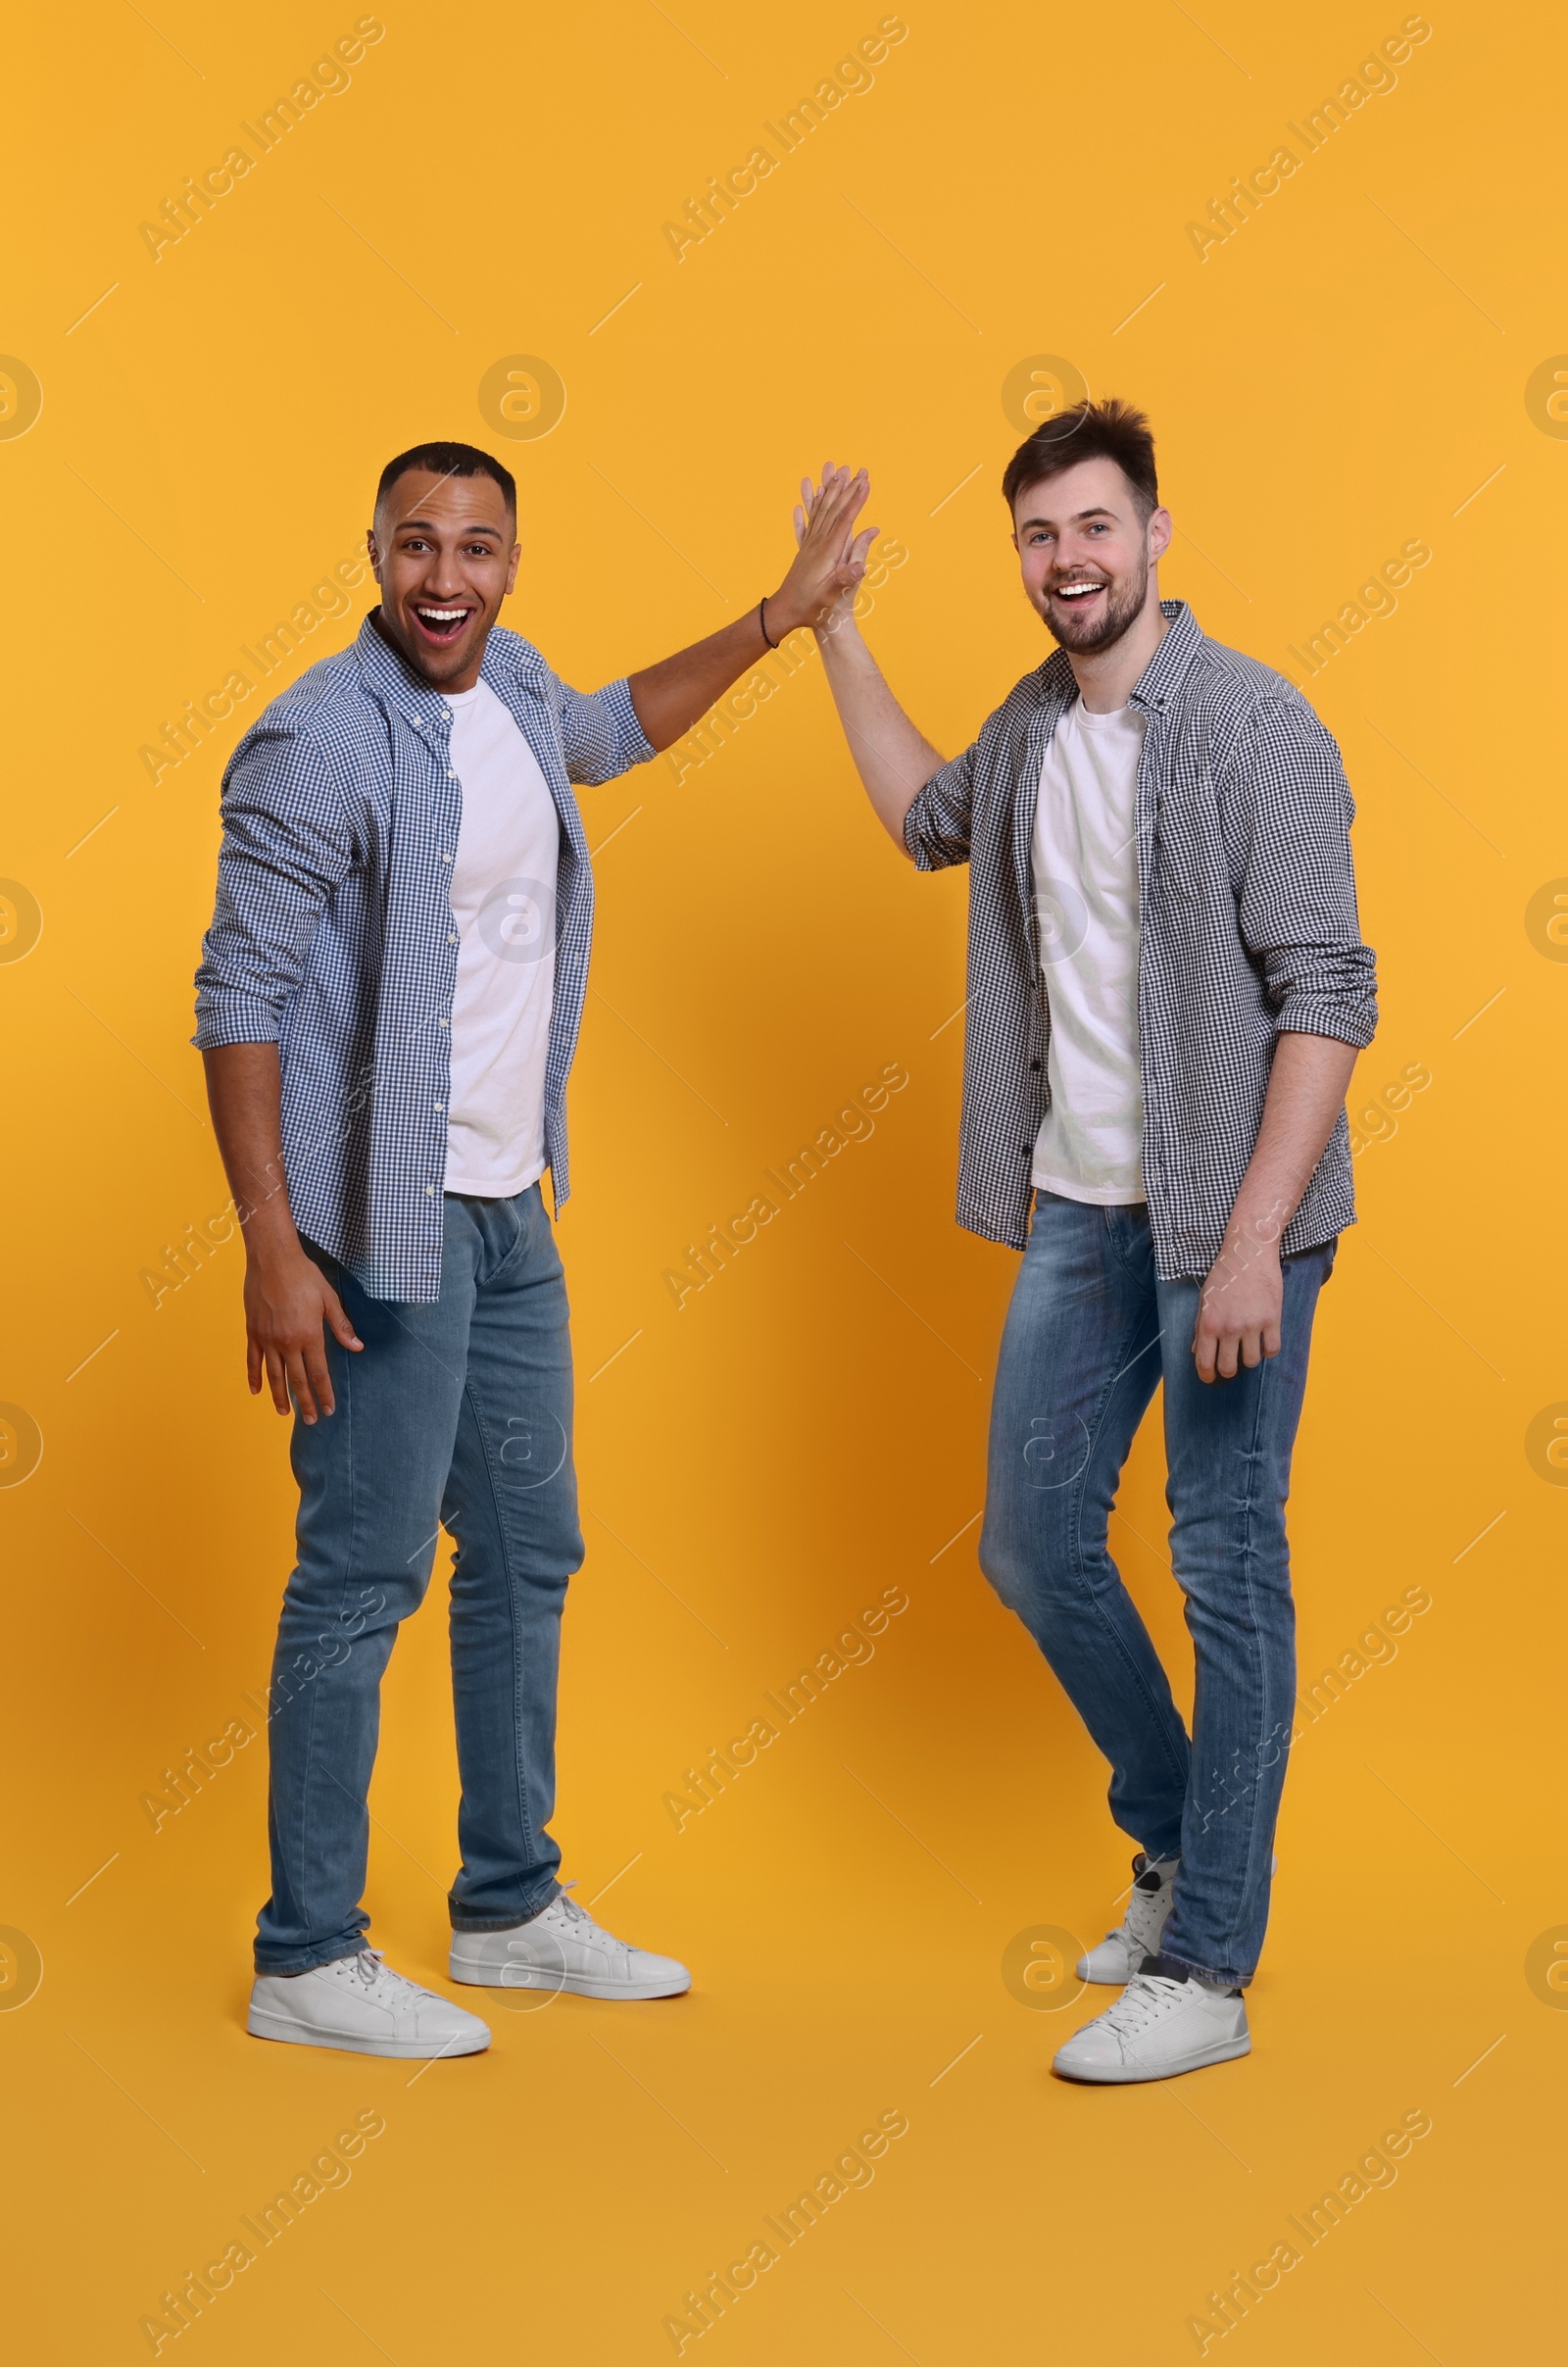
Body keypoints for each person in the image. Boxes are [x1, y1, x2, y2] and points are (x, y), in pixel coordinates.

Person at [196, 439, 875, 2058]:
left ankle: (506, 1908)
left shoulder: (512, 697)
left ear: (513, 562)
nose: (447, 579)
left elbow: (609, 729)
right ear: (372, 549)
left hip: (509, 1210)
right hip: (382, 1222)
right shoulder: (315, 740)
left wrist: (778, 620)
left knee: (527, 1554)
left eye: (479, 549)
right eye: (418, 546)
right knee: (363, 1579)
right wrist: (271, 1249)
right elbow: (237, 996)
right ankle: (308, 1951)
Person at [800, 401, 1376, 2082]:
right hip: (1079, 1207)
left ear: (1155, 533)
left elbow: (1328, 997)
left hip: (1230, 1218)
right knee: (1034, 1546)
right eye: (1041, 537)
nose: (1070, 561)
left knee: (1224, 1559)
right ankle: (1185, 1836)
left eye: (1096, 527)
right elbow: (927, 823)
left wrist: (1259, 1238)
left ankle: (1206, 1969)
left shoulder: (1254, 728)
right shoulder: (1036, 730)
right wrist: (833, 630)